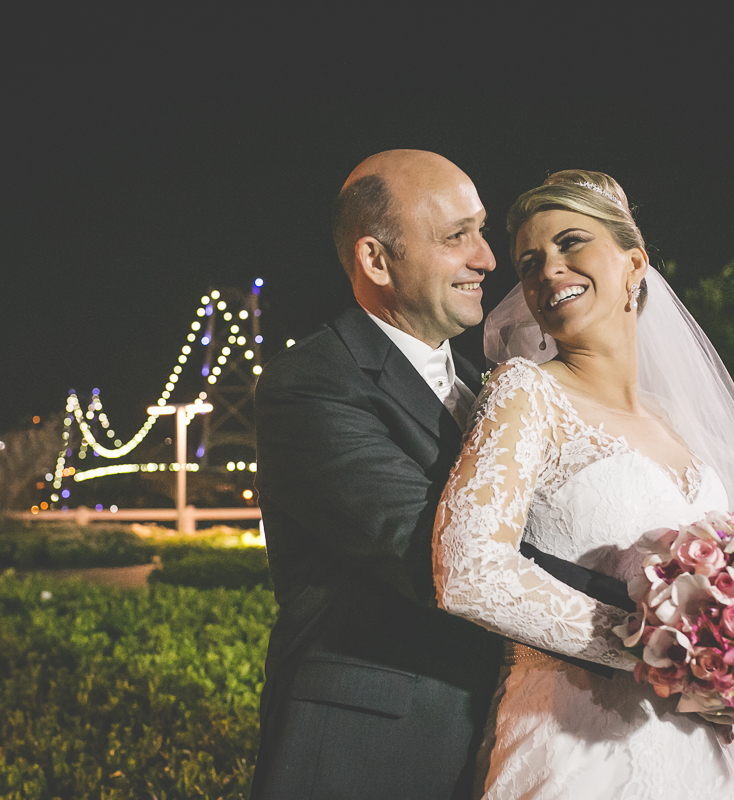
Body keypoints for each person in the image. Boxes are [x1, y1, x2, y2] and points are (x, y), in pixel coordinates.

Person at [433, 170, 734, 800]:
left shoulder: (679, 419)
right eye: (529, 261)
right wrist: (667, 656)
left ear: (634, 264)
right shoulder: (525, 392)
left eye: (572, 243)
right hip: (577, 747)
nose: (548, 270)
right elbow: (468, 571)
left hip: (707, 757)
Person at [251, 152, 632, 799]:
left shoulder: (485, 379)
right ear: (376, 259)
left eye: (482, 233)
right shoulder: (314, 385)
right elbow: (440, 554)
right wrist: (668, 621)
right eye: (458, 237)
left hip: (523, 737)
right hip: (378, 748)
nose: (487, 259)